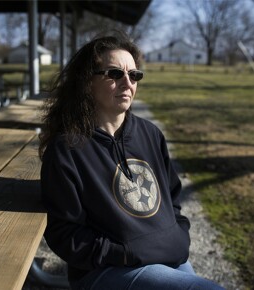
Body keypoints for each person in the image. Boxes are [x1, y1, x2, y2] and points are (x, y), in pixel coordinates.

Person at [39, 33, 223, 290]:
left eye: (134, 75)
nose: (127, 82)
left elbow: (173, 199)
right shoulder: (68, 149)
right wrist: (122, 253)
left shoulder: (150, 134)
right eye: (115, 74)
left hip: (168, 256)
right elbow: (64, 233)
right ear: (86, 82)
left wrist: (179, 235)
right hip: (106, 270)